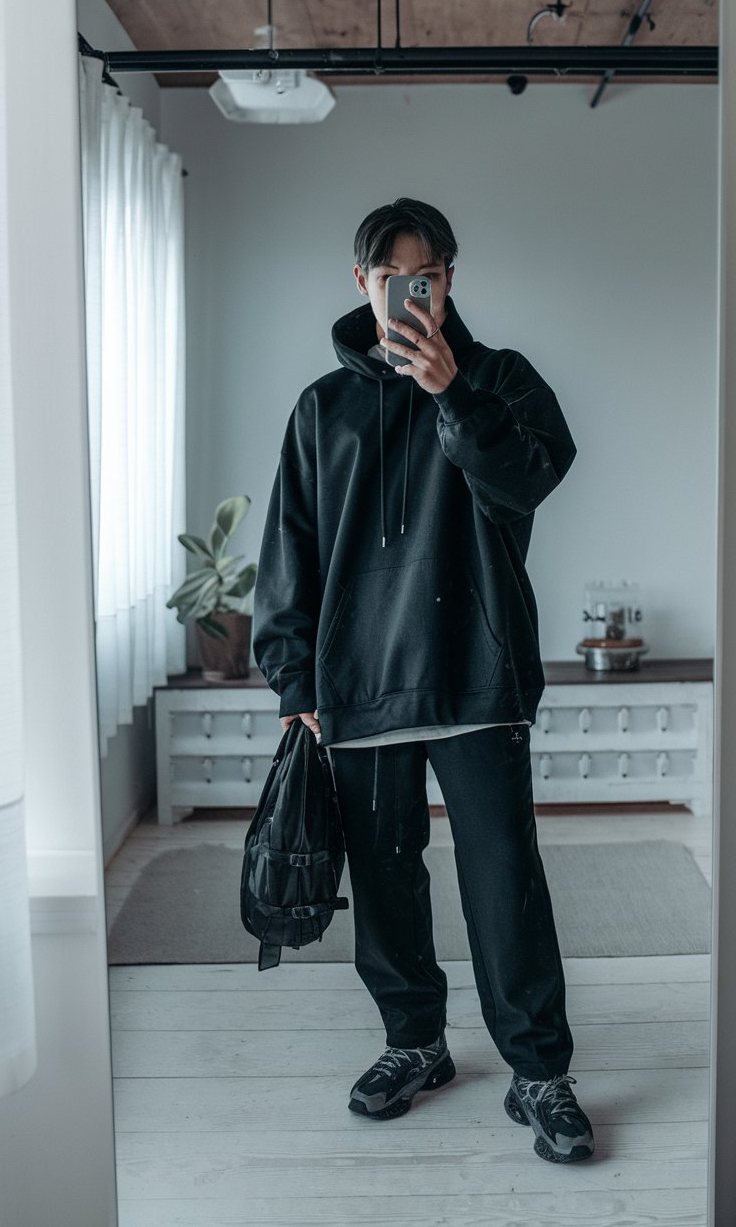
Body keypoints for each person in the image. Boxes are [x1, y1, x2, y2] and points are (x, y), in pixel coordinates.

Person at [252, 198, 595, 1163]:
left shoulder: (500, 380)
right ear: (359, 282)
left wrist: (453, 397)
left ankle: (541, 1073)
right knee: (388, 883)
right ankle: (415, 1044)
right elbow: (291, 548)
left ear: (449, 279)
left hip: (476, 675)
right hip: (357, 686)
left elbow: (527, 481)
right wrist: (294, 681)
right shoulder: (322, 408)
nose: (412, 291)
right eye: (392, 275)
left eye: (428, 275)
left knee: (503, 882)